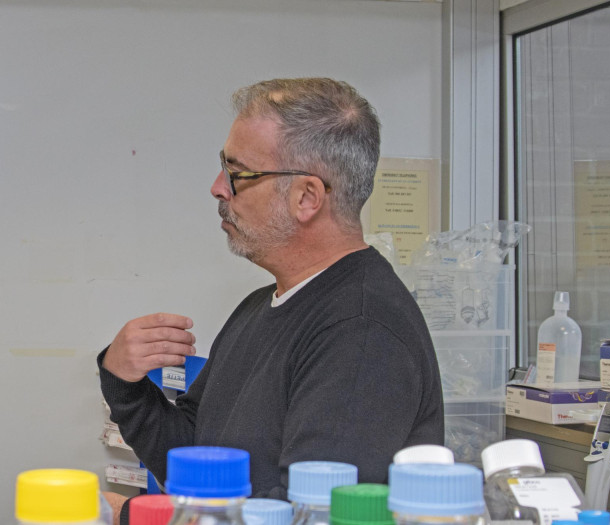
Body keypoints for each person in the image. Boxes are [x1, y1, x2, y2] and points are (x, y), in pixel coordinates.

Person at [99, 78, 444, 519]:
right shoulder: (263, 305)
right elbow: (197, 461)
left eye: (238, 174)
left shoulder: (361, 332)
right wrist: (124, 383)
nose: (218, 188)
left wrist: (132, 516)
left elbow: (303, 513)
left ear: (306, 197)